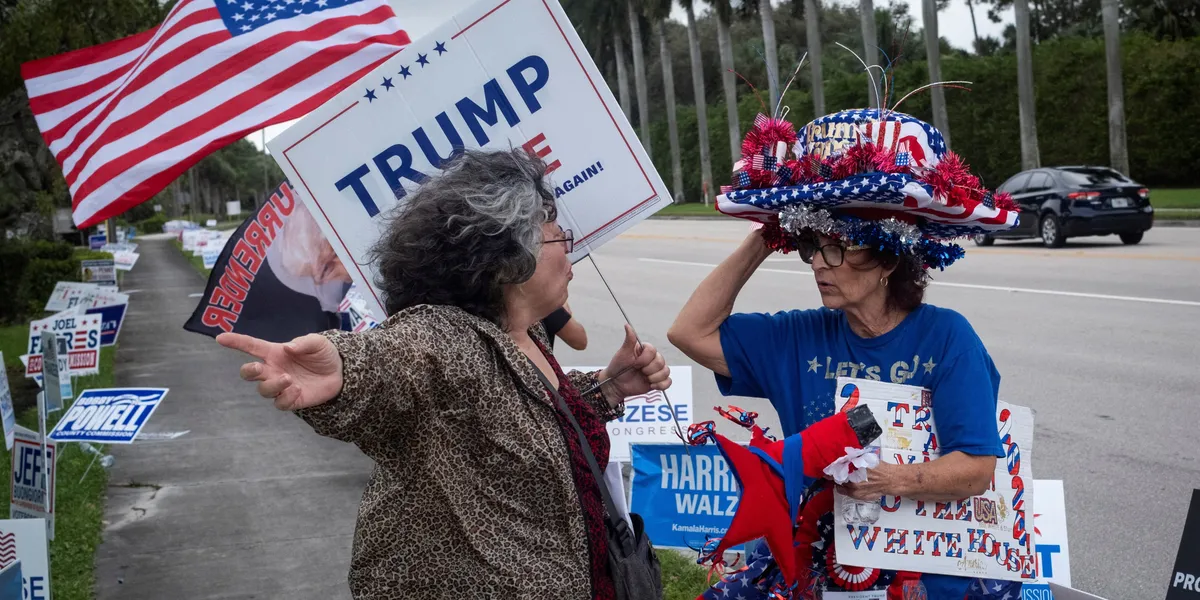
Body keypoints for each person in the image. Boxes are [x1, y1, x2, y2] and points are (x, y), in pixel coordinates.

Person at [217, 149, 672, 600]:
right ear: (508, 258)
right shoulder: (447, 336)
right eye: (557, 238)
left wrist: (610, 387)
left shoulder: (525, 332)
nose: (570, 253)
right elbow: (395, 363)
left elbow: (521, 425)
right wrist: (343, 371)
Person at [668, 108, 1024, 598]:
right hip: (807, 561)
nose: (818, 263)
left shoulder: (946, 338)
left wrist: (889, 479)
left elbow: (976, 469)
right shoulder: (798, 336)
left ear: (887, 257)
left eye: (838, 248)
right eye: (814, 244)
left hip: (919, 568)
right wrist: (769, 231)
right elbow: (689, 331)